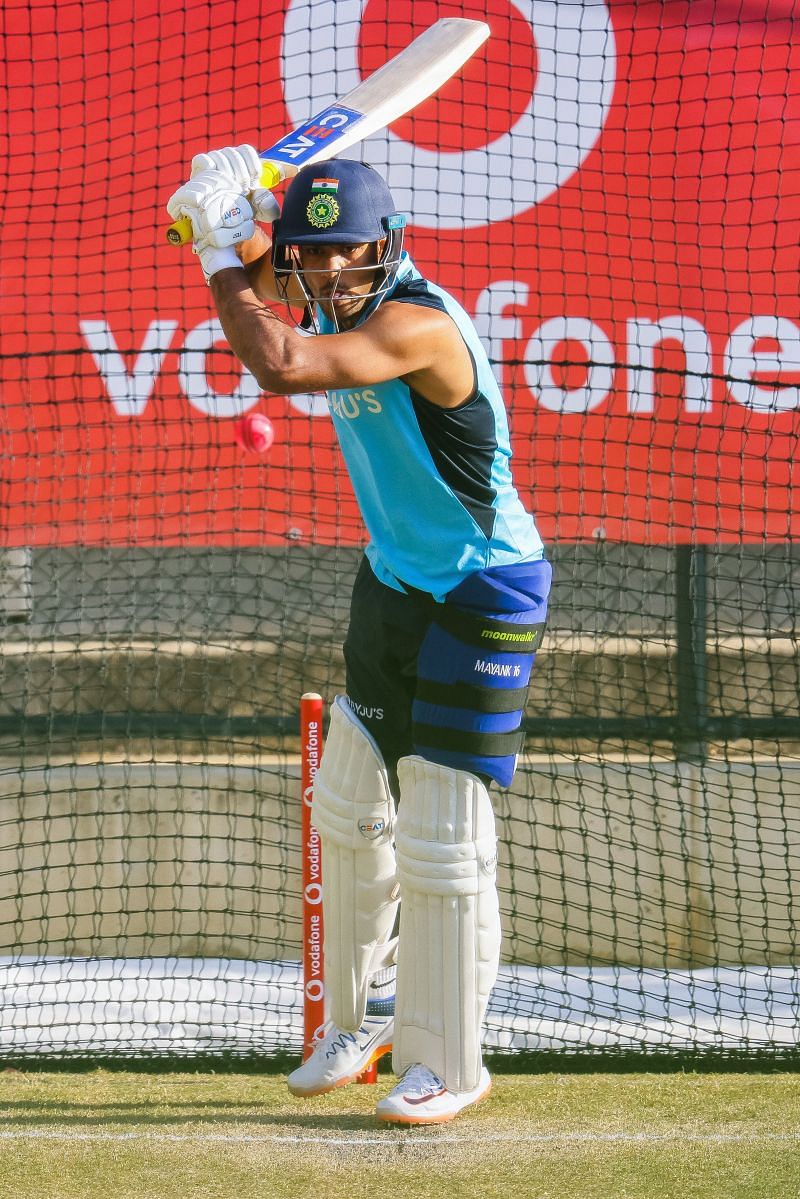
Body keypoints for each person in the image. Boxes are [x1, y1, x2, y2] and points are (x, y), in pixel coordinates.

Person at [167, 148, 551, 1125]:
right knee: (345, 800)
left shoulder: (416, 325)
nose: (327, 273)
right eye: (310, 254)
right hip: (393, 575)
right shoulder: (319, 287)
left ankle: (448, 1060)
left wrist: (223, 245)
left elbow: (280, 359)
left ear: (385, 245)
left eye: (346, 252)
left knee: (438, 830)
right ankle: (360, 1014)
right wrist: (236, 219)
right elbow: (266, 283)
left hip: (481, 584)